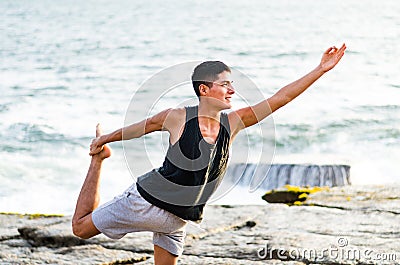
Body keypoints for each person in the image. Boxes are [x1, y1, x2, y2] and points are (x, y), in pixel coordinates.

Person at [72, 44, 346, 265]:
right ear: (204, 89)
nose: (232, 90)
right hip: (145, 202)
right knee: (80, 228)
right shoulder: (177, 117)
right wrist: (103, 141)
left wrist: (320, 69)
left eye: (232, 84)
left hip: (178, 219)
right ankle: (99, 162)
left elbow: (280, 98)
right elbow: (141, 128)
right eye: (225, 84)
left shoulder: (233, 123)